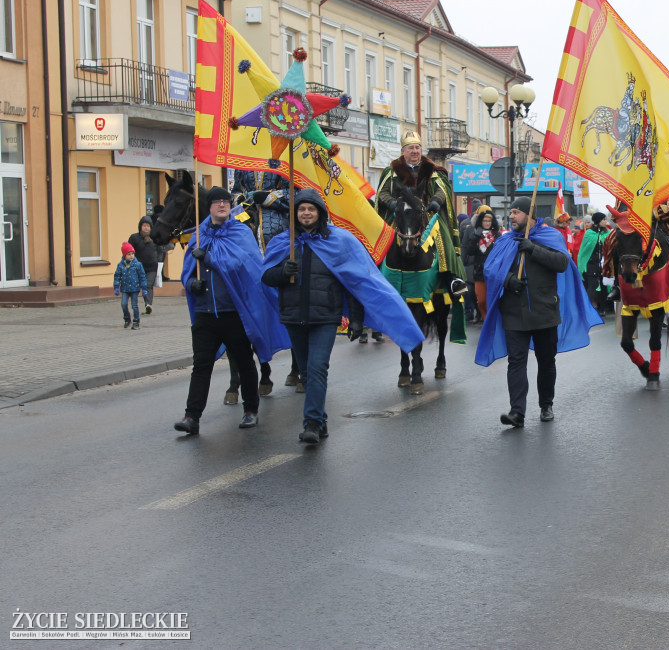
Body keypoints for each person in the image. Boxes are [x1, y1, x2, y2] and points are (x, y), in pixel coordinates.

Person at [262, 189, 423, 444]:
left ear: (320, 213)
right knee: (305, 373)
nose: (306, 213)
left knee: (317, 369)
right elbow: (266, 278)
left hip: (325, 317)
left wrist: (356, 319)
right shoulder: (283, 243)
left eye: (311, 209)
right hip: (293, 316)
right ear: (295, 214)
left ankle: (312, 423)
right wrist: (282, 272)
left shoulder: (340, 241)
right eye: (301, 209)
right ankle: (321, 419)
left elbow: (355, 281)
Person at [475, 196, 602, 427]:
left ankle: (546, 405)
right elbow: (490, 269)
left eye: (516, 212)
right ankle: (517, 413)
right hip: (514, 312)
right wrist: (508, 279)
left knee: (546, 361)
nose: (511, 216)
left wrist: (533, 249)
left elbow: (562, 263)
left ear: (530, 215)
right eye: (511, 212)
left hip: (544, 311)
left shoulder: (550, 236)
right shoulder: (506, 241)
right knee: (516, 362)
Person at [175, 187, 291, 436]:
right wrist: (189, 284)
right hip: (206, 312)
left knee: (244, 362)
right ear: (209, 207)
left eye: (225, 202)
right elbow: (186, 269)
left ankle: (250, 410)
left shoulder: (241, 232)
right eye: (216, 202)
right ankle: (191, 417)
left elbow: (238, 263)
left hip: (234, 312)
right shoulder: (198, 235)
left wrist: (208, 257)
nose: (222, 205)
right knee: (201, 365)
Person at [375, 131, 468, 297]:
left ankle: (451, 277)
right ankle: (375, 273)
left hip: (427, 213)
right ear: (403, 151)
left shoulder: (433, 170)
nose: (415, 151)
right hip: (400, 214)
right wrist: (392, 203)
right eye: (410, 148)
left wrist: (436, 201)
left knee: (442, 236)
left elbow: (442, 190)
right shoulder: (392, 170)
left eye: (417, 147)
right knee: (381, 237)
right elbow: (382, 193)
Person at [461, 205, 501, 323]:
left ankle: (489, 321)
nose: (487, 223)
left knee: (492, 299)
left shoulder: (496, 235)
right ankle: (483, 316)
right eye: (485, 220)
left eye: (489, 220)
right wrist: (476, 237)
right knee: (481, 300)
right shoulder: (473, 232)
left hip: (493, 272)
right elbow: (468, 250)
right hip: (478, 270)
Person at [578, 211, 611, 316]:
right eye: (604, 219)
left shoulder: (607, 233)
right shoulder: (589, 233)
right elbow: (584, 250)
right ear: (598, 221)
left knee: (604, 285)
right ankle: (587, 308)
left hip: (604, 264)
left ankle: (603, 308)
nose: (606, 221)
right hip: (591, 263)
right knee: (591, 285)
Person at [113, 242, 147, 330]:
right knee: (123, 304)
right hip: (125, 289)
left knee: (134, 305)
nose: (131, 256)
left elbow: (142, 276)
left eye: (132, 254)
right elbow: (117, 276)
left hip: (135, 288)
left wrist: (144, 288)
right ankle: (127, 318)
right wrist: (116, 287)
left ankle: (136, 321)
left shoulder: (137, 265)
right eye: (129, 254)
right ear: (124, 255)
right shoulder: (120, 266)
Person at [128, 217, 158, 314]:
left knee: (148, 285)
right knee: (136, 286)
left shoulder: (155, 238)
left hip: (152, 267)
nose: (146, 228)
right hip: (138, 267)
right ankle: (134, 304)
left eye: (148, 226)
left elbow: (161, 250)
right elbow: (129, 252)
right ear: (140, 227)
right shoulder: (134, 238)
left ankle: (148, 304)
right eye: (144, 225)